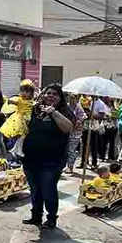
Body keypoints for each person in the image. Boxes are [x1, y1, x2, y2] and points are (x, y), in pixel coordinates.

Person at [21, 83, 74, 229]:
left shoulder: (64, 111)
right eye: (48, 93)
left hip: (52, 160)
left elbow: (68, 128)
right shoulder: (35, 109)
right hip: (31, 157)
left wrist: (54, 113)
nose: (50, 96)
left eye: (55, 94)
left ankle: (51, 218)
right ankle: (36, 215)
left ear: (60, 98)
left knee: (48, 188)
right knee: (35, 189)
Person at [0, 80, 36, 161]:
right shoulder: (19, 99)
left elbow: (34, 105)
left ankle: (16, 149)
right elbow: (15, 101)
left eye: (26, 91)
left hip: (27, 118)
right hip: (20, 118)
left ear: (31, 93)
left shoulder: (31, 101)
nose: (24, 93)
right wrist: (10, 101)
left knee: (23, 136)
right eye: (22, 91)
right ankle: (16, 150)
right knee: (21, 135)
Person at [64, 93, 86, 174]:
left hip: (75, 133)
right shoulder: (66, 106)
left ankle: (70, 166)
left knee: (72, 150)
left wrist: (77, 120)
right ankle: (66, 165)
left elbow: (81, 118)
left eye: (73, 98)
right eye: (70, 98)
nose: (71, 99)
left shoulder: (79, 108)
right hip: (66, 130)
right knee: (66, 149)